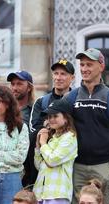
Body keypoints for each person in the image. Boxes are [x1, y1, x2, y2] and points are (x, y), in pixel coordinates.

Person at [66, 48, 109, 204]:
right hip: (77, 167)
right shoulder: (71, 97)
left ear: (101, 66)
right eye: (82, 65)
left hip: (104, 166)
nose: (84, 69)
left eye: (89, 64)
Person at [26, 58, 76, 187]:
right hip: (43, 158)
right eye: (56, 73)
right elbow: (34, 129)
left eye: (63, 74)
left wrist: (48, 126)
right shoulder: (42, 101)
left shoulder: (77, 100)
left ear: (72, 78)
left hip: (68, 159)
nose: (58, 77)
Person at [33, 99, 78, 204]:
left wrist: (43, 144)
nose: (51, 119)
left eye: (55, 116)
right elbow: (39, 165)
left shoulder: (70, 137)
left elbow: (52, 160)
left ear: (66, 118)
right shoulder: (52, 138)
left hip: (57, 194)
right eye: (49, 116)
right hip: (41, 193)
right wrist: (38, 146)